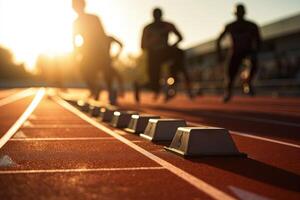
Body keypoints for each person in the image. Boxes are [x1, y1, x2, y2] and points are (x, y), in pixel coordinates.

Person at [141, 7, 193, 101]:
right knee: (153, 71)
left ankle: (174, 81)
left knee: (179, 53)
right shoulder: (147, 28)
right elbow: (142, 46)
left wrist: (173, 46)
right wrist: (151, 44)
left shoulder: (168, 25)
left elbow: (180, 37)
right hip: (154, 54)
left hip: (166, 51)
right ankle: (155, 87)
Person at [217, 4, 261, 102]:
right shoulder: (230, 26)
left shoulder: (252, 25)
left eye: (241, 12)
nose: (240, 14)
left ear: (244, 13)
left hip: (248, 51)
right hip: (235, 52)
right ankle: (228, 92)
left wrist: (257, 51)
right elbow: (219, 39)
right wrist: (219, 53)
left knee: (253, 62)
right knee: (230, 75)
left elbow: (258, 39)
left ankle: (248, 82)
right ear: (235, 14)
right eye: (238, 12)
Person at [72, 0, 110, 100]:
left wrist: (105, 49)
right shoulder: (76, 22)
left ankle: (110, 91)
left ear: (84, 5)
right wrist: (76, 53)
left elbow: (102, 34)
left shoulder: (94, 18)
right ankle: (94, 88)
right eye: (75, 6)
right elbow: (74, 39)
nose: (77, 7)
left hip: (97, 47)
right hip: (86, 48)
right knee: (84, 70)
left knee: (105, 69)